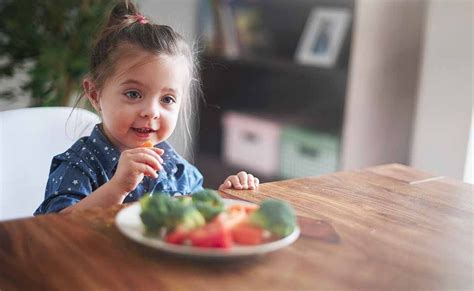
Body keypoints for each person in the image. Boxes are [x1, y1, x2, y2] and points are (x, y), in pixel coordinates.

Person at [34, 1, 259, 215]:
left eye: (167, 99)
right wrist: (117, 188)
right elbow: (55, 228)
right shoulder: (80, 165)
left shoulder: (177, 169)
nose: (151, 111)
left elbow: (197, 220)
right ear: (95, 94)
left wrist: (229, 198)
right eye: (133, 94)